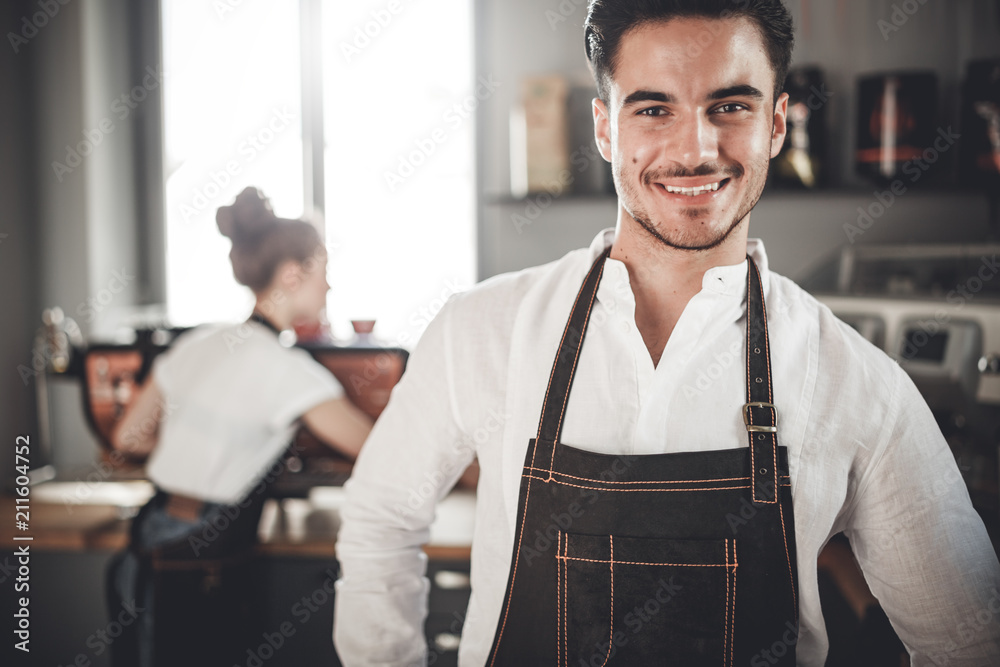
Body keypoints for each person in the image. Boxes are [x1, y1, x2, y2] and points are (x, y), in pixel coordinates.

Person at [333, 1, 1000, 665]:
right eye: (654, 110)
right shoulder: (480, 330)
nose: (695, 149)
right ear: (604, 128)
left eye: (730, 106)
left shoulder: (860, 383)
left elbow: (969, 638)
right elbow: (379, 520)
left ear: (775, 123)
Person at [106, 186, 373, 666]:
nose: (329, 287)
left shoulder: (200, 342)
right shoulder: (291, 370)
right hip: (201, 556)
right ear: (293, 274)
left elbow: (128, 437)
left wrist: (193, 439)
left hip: (149, 536)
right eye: (325, 271)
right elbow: (377, 448)